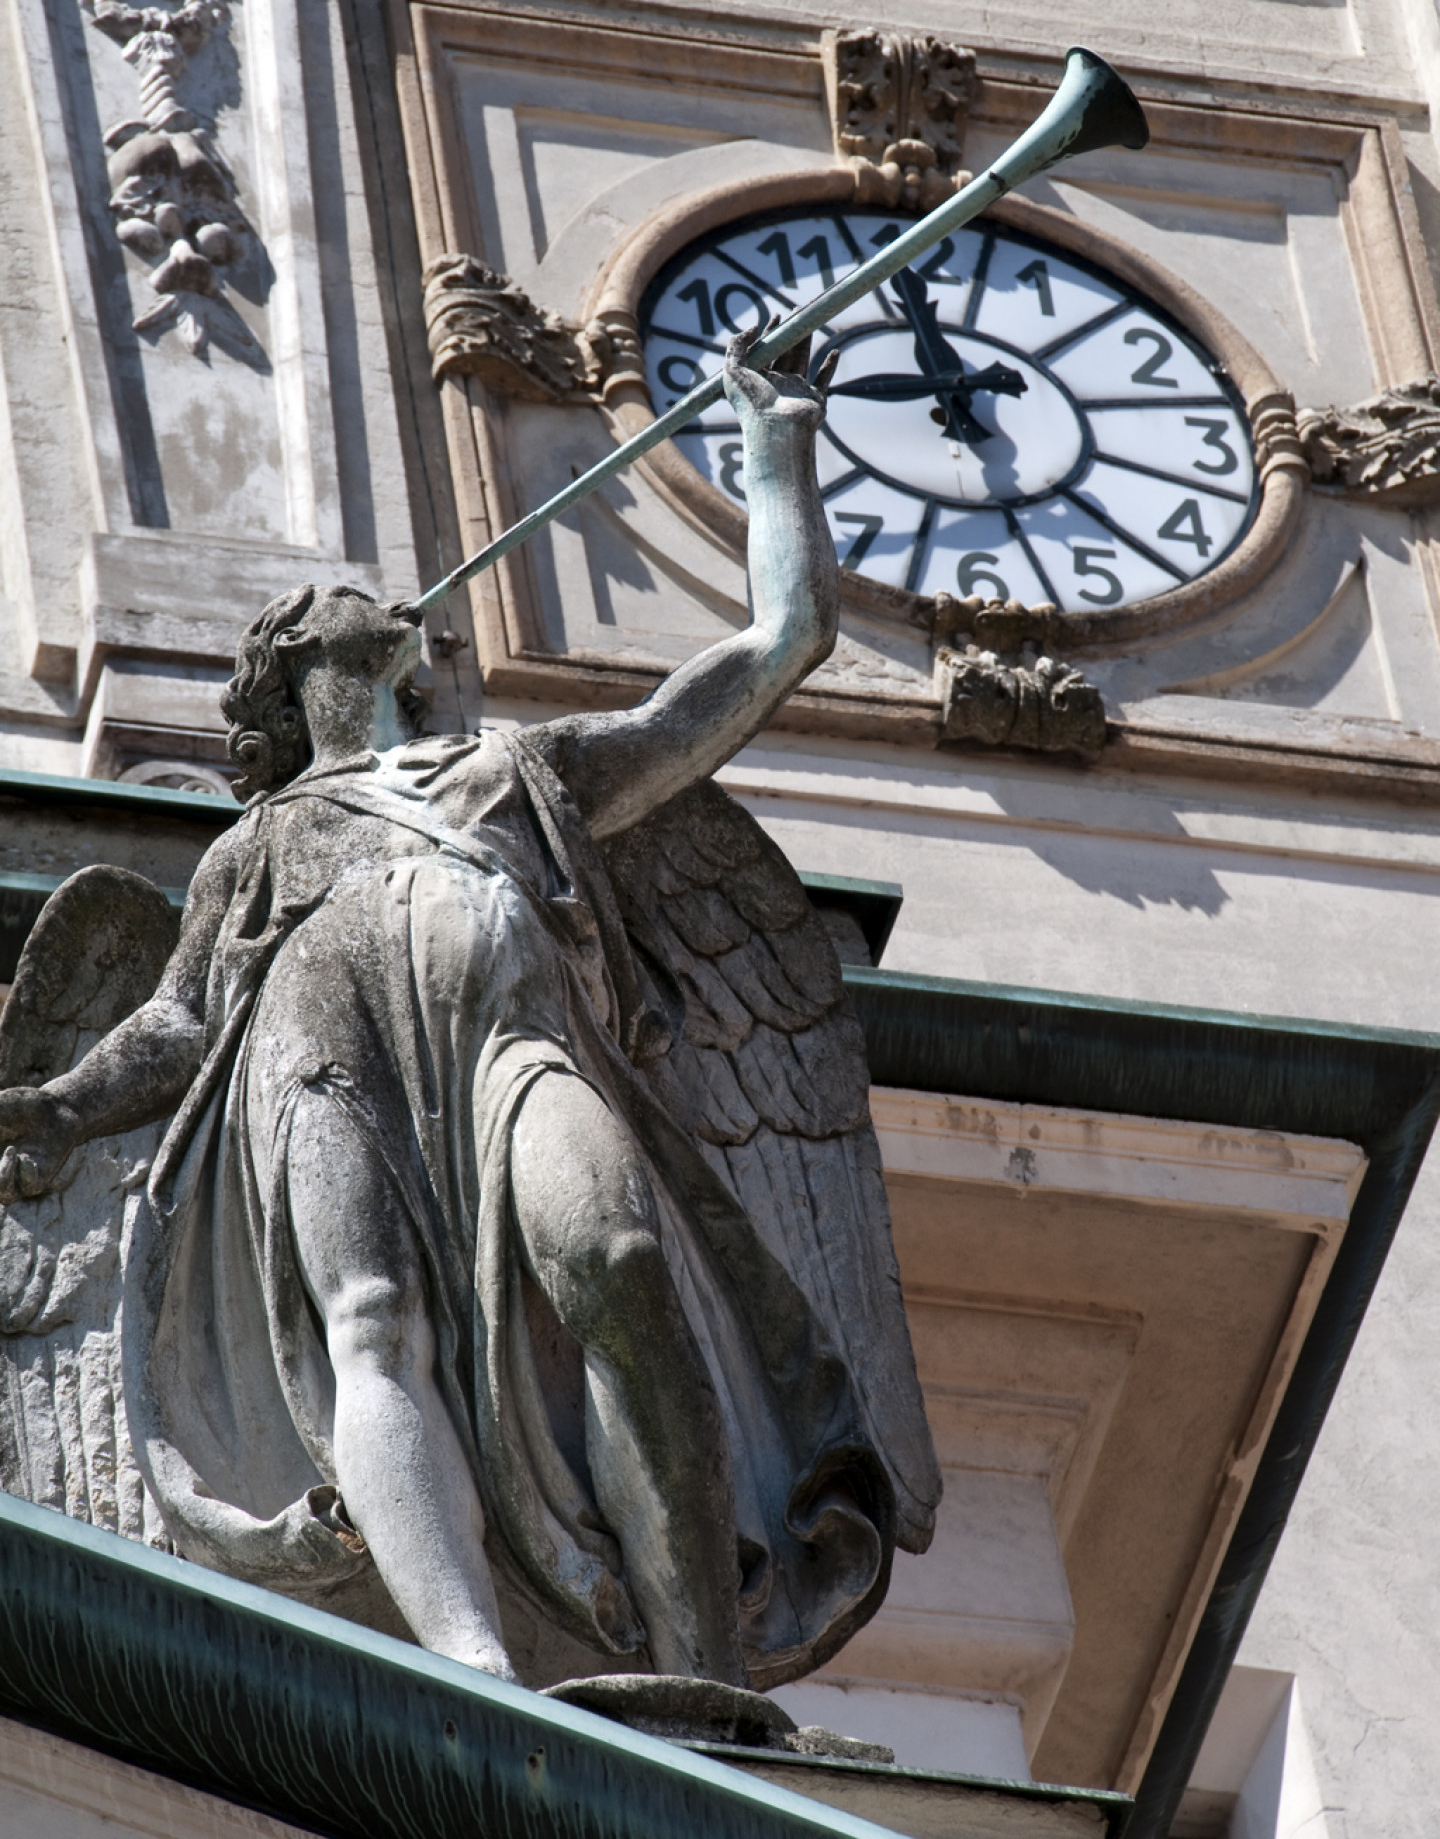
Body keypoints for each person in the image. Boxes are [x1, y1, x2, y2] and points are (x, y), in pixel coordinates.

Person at [0, 327, 937, 1690]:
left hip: (510, 1048)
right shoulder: (254, 846)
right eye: (336, 595)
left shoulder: (518, 770)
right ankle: (472, 1669)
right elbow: (183, 1022)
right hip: (315, 1071)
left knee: (616, 1259)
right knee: (368, 1326)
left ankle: (700, 1665)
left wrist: (777, 443)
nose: (381, 599)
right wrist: (57, 1102)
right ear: (294, 665)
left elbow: (776, 647)